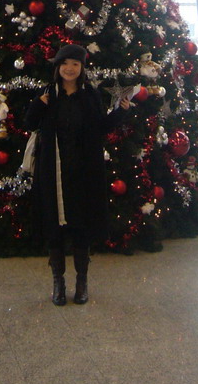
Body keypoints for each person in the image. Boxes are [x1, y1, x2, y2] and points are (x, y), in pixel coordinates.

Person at [25, 44, 130, 306]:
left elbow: (100, 127)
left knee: (81, 225)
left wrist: (121, 112)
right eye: (64, 64)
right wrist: (39, 105)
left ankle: (81, 281)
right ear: (57, 67)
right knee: (55, 227)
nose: (69, 69)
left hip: (83, 172)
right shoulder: (48, 94)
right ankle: (58, 282)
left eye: (75, 64)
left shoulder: (90, 96)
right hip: (54, 171)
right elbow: (28, 122)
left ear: (82, 68)